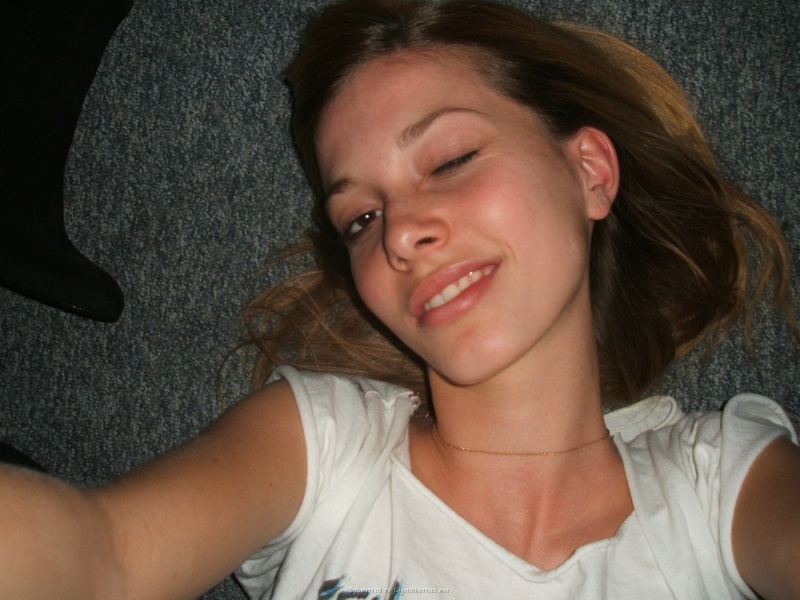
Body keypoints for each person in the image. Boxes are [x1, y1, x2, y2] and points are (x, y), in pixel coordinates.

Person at [1, 0, 798, 598]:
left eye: (449, 161)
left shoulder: (719, 484)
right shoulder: (324, 447)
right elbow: (100, 558)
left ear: (589, 171)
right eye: (362, 218)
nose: (402, 234)